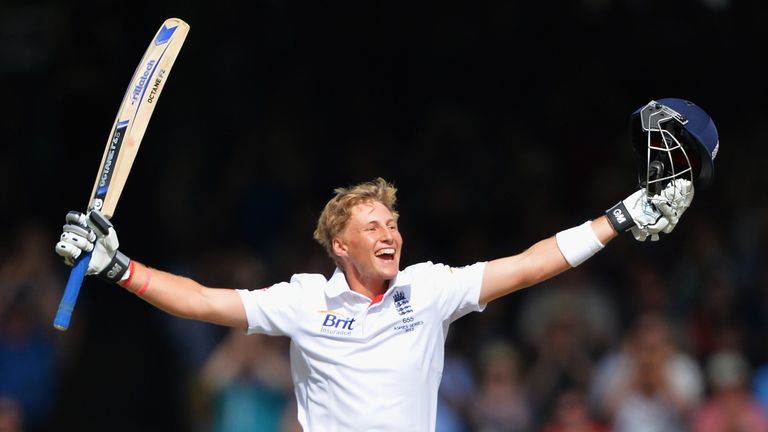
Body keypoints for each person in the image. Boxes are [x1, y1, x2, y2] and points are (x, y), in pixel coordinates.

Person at [53, 99, 717, 431]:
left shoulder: (429, 289)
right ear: (340, 245)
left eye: (393, 222)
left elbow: (530, 264)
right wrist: (119, 268)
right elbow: (201, 301)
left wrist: (619, 218)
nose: (389, 231)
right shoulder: (304, 299)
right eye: (372, 225)